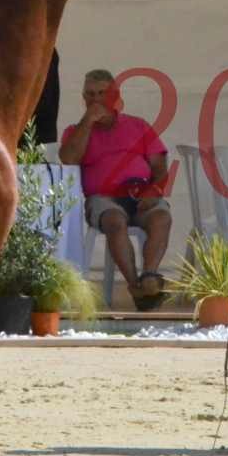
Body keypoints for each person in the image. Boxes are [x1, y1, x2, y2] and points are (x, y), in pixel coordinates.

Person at [59, 68, 172, 310]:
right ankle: (136, 287)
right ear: (83, 98)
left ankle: (150, 276)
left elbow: (160, 168)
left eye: (102, 93)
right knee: (114, 221)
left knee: (162, 216)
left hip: (141, 194)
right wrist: (88, 122)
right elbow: (68, 159)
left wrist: (154, 190)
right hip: (103, 200)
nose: (95, 99)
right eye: (89, 94)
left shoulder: (138, 126)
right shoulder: (75, 131)